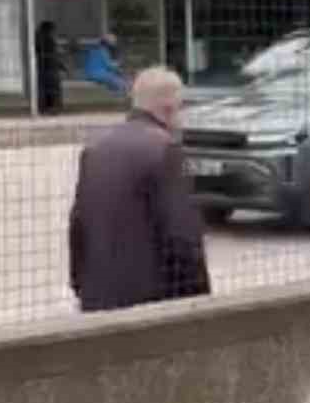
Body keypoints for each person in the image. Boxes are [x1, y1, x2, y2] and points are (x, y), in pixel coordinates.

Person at [68, 66, 210, 311]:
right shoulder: (166, 150)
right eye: (182, 106)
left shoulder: (95, 149)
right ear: (168, 108)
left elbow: (78, 226)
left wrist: (81, 286)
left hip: (97, 299)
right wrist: (200, 299)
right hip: (150, 303)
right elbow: (183, 236)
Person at [34, 19, 64, 115]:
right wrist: (61, 65)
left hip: (45, 68)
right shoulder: (48, 40)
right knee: (52, 89)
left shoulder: (39, 38)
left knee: (46, 89)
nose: (54, 33)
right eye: (53, 30)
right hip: (50, 68)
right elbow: (54, 55)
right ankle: (52, 108)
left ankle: (46, 108)